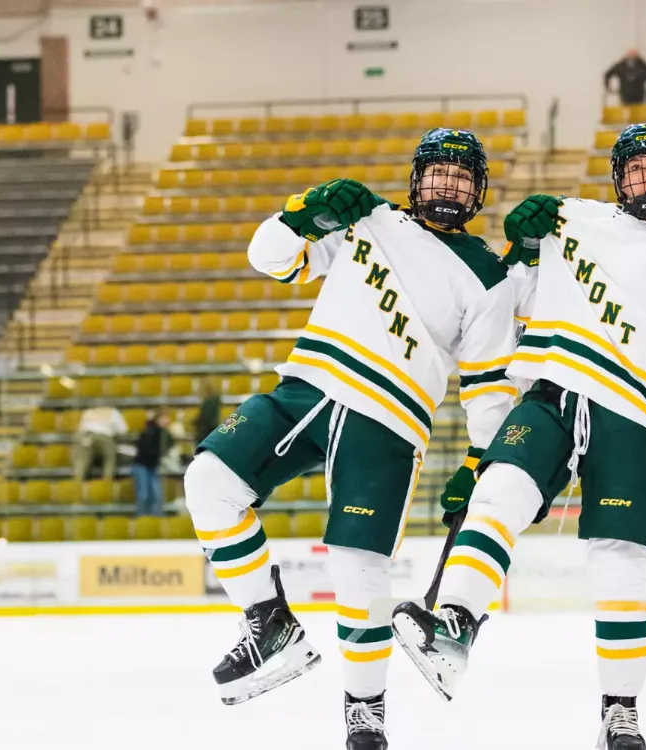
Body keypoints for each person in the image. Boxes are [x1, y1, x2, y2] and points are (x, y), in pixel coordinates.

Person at [392, 123, 646, 750]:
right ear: (618, 179)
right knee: (497, 494)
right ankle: (454, 626)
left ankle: (620, 712)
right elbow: (511, 302)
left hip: (635, 414)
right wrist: (526, 248)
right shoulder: (568, 220)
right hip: (551, 390)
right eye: (639, 169)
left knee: (619, 560)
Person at [182, 128, 519, 750]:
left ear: (478, 193)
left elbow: (488, 385)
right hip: (306, 386)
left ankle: (365, 713)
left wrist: (480, 458)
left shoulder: (490, 277)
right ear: (416, 178)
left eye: (461, 177)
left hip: (388, 420)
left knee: (358, 566)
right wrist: (301, 215)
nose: (448, 186)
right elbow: (269, 258)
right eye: (438, 173)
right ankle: (269, 623)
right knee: (208, 481)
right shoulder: (367, 219)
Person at [132, 409, 172, 516]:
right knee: (144, 495)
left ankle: (156, 520)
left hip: (153, 466)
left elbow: (170, 444)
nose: (167, 421)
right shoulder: (149, 431)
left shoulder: (164, 433)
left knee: (157, 495)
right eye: (164, 418)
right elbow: (146, 450)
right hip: (142, 465)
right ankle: (141, 519)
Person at [72, 405, 127, 481]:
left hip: (88, 437)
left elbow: (80, 429)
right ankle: (107, 479)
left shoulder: (88, 411)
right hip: (105, 437)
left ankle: (78, 479)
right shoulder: (113, 412)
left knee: (81, 459)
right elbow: (122, 430)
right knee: (110, 457)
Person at [193, 378, 223, 445]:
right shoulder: (214, 400)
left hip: (206, 433)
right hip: (211, 431)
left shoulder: (209, 402)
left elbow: (206, 418)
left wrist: (196, 421)